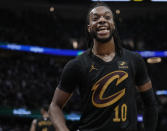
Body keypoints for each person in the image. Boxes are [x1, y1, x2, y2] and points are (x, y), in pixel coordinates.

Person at [49, 2, 158, 131]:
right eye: (95, 18)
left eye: (107, 17)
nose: (102, 20)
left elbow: (150, 103)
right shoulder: (76, 65)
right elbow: (54, 106)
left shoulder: (134, 60)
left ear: (113, 25)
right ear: (89, 28)